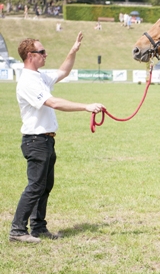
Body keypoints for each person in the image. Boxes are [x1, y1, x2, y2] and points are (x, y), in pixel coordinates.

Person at [9, 32, 105, 243]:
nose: (46, 54)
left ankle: (38, 227)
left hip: (46, 140)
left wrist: (73, 50)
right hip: (36, 141)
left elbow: (63, 71)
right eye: (42, 52)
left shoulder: (39, 77)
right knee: (35, 186)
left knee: (44, 186)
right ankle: (17, 230)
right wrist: (85, 106)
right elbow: (53, 103)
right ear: (30, 55)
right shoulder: (27, 81)